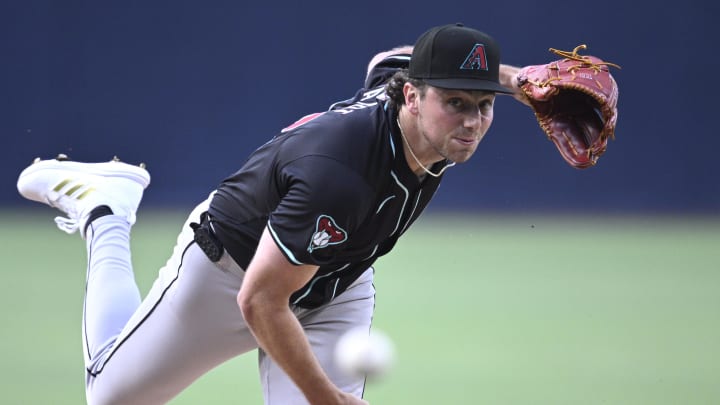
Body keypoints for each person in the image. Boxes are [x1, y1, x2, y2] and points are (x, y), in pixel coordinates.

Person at [17, 23, 527, 405]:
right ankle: (105, 209)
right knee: (110, 397)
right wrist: (328, 399)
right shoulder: (341, 172)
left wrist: (518, 80)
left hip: (334, 281)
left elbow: (388, 58)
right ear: (413, 98)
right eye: (456, 102)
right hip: (230, 272)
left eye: (484, 104)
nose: (471, 120)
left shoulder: (406, 95)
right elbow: (260, 300)